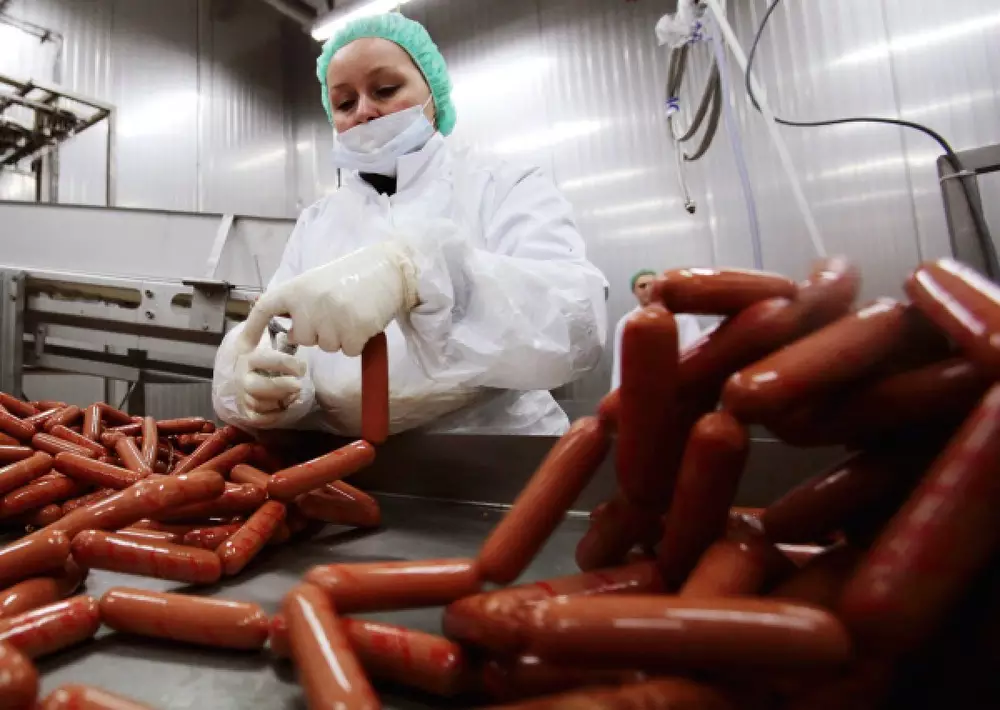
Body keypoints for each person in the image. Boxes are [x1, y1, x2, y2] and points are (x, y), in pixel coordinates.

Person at [212, 14, 607, 437]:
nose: (364, 111)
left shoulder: (501, 186)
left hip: (495, 448)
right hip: (349, 459)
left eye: (385, 89)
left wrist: (418, 277)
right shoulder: (317, 222)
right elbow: (279, 335)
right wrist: (269, 385)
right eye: (344, 103)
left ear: (433, 92)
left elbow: (575, 322)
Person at [610, 270, 703, 391]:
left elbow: (695, 353)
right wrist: (617, 392)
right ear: (634, 292)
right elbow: (620, 363)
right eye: (642, 286)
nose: (648, 289)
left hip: (678, 384)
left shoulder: (682, 318)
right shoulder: (626, 323)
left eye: (653, 284)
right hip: (642, 388)